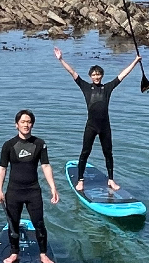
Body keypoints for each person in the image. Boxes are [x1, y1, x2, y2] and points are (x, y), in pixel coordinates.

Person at [53, 47, 141, 193]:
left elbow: (122, 75)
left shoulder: (107, 88)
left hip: (105, 126)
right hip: (91, 126)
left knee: (108, 153)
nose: (96, 77)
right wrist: (61, 59)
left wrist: (135, 61)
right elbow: (72, 73)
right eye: (94, 75)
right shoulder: (86, 87)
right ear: (90, 77)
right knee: (85, 152)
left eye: (98, 74)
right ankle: (80, 180)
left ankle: (111, 180)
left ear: (102, 75)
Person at [0, 109, 59, 263]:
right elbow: (2, 168)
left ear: (32, 124)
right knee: (13, 224)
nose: (26, 125)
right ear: (16, 124)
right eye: (23, 122)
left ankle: (43, 255)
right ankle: (14, 253)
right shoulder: (8, 145)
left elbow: (45, 166)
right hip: (13, 192)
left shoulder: (39, 144)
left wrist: (53, 188)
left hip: (33, 191)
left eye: (29, 122)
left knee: (39, 224)